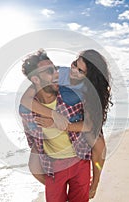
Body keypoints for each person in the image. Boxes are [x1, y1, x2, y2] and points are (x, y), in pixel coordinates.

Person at [21, 49, 112, 199]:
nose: (74, 70)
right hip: (62, 112)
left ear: (89, 77)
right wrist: (53, 115)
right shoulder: (61, 73)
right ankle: (59, 188)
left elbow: (89, 125)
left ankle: (94, 184)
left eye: (80, 71)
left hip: (82, 119)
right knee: (34, 165)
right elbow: (26, 100)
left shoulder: (90, 90)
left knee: (99, 144)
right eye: (75, 64)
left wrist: (60, 124)